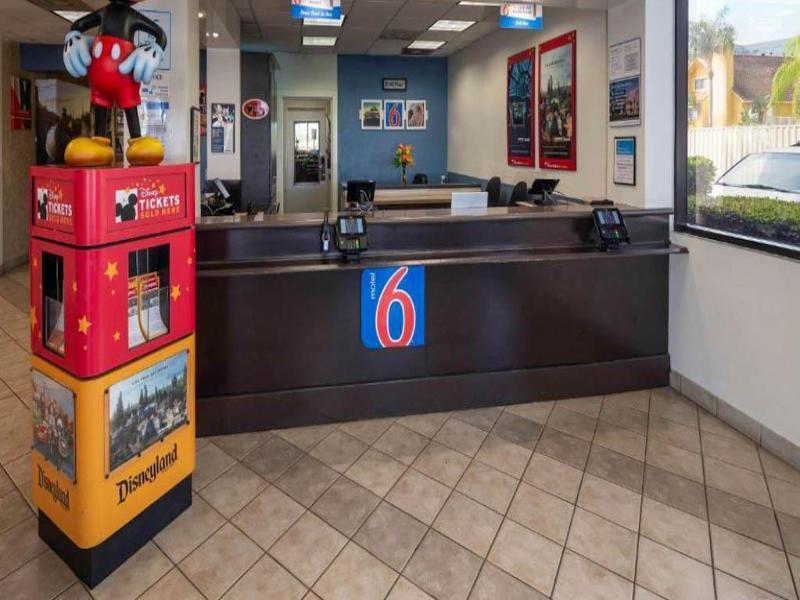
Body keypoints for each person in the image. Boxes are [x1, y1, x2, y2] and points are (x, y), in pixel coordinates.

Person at [62, 0, 167, 167]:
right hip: (99, 79)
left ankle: (137, 140)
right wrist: (73, 38)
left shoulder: (129, 15)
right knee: (101, 105)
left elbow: (160, 35)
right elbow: (77, 26)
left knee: (129, 106)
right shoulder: (106, 12)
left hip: (125, 78)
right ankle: (99, 142)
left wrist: (155, 50)